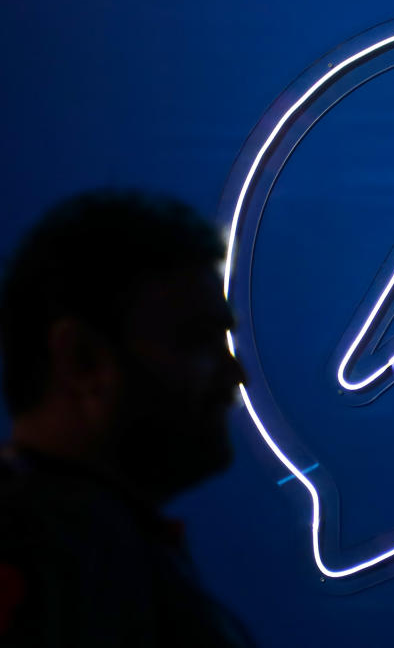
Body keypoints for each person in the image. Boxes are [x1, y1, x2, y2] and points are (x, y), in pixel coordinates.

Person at [0, 189, 255, 646]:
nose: (236, 375)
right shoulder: (59, 564)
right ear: (82, 361)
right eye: (198, 341)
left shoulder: (91, 551)